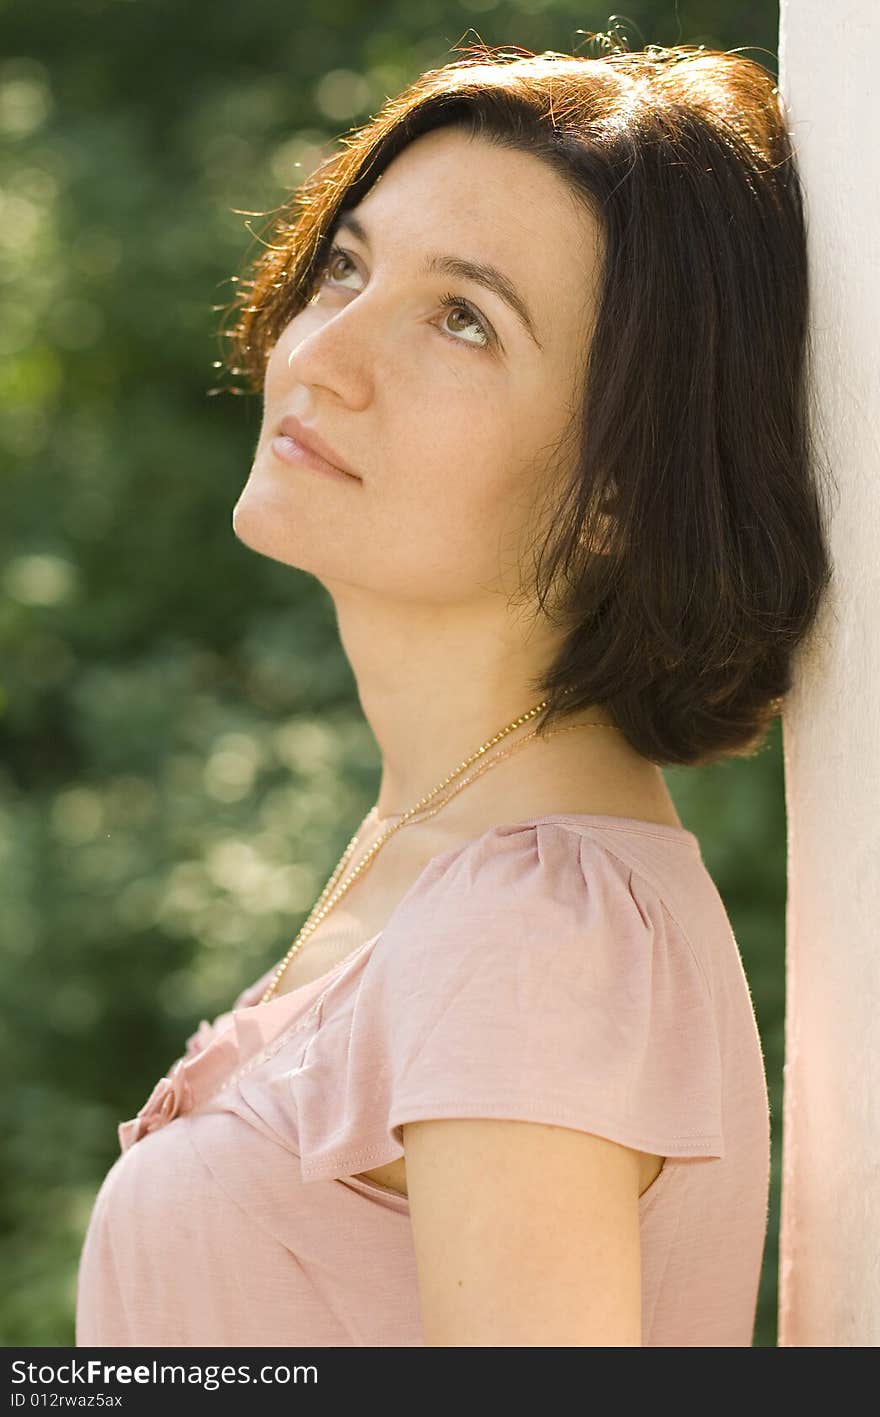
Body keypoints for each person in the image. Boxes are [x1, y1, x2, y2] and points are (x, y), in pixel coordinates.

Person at [75, 38, 833, 1347]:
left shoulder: (535, 932)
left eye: (464, 318)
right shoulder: (458, 862)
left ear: (616, 492)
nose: (322, 352)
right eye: (350, 266)